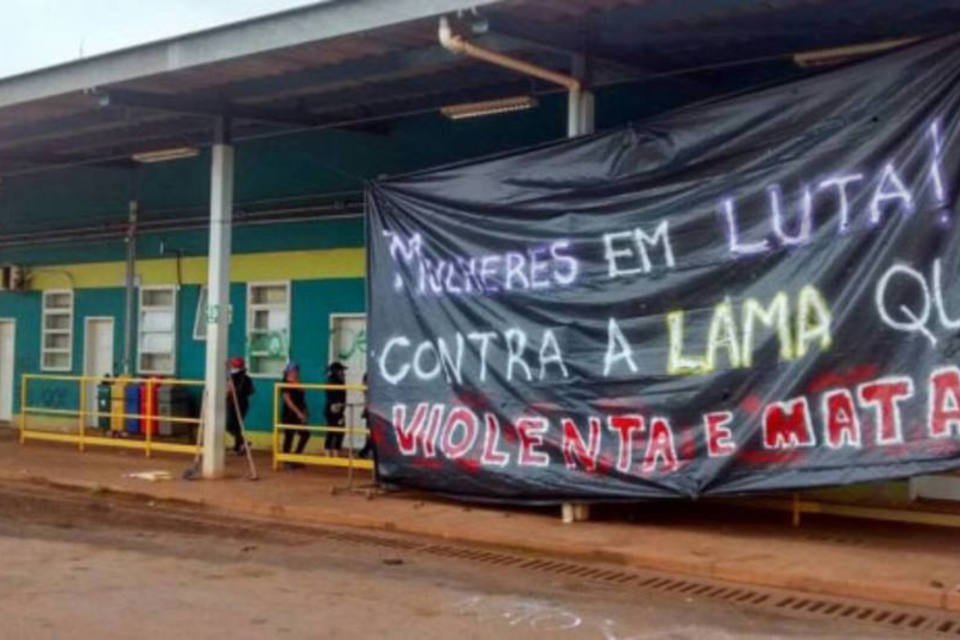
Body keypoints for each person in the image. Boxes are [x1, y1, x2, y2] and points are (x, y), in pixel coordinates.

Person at [280, 362, 309, 465]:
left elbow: (302, 398)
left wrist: (304, 412)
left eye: (296, 370)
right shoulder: (284, 383)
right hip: (290, 414)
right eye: (293, 370)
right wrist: (298, 412)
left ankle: (296, 457)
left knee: (305, 434)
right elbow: (288, 401)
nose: (295, 372)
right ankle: (286, 460)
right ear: (288, 371)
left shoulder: (297, 382)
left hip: (299, 412)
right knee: (289, 436)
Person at [226, 356, 254, 455]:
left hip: (241, 404)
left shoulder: (245, 378)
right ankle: (241, 444)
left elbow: (250, 391)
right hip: (231, 402)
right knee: (231, 425)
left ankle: (239, 445)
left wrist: (236, 392)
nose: (232, 367)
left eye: (233, 366)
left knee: (235, 425)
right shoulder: (231, 376)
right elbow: (227, 390)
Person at [324, 362, 347, 456]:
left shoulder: (340, 381)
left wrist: (341, 406)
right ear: (336, 371)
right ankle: (329, 451)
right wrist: (336, 405)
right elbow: (332, 396)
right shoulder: (332, 381)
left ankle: (334, 451)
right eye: (341, 371)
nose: (343, 373)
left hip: (339, 410)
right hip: (332, 410)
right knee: (332, 430)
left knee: (339, 430)